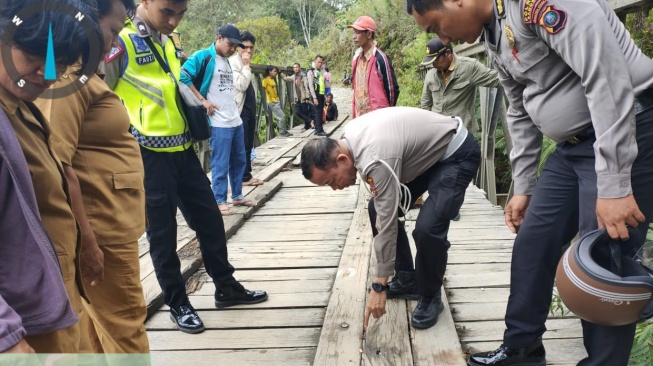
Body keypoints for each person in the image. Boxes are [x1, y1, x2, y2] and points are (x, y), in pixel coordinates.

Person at [406, 0, 653, 365]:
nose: (444, 38)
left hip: (628, 130)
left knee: (601, 260)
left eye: (438, 26)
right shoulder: (493, 31)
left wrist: (615, 184)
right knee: (533, 242)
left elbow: (607, 75)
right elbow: (519, 107)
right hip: (573, 149)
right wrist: (523, 185)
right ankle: (522, 348)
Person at [104, 0, 268, 335]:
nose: (175, 21)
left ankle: (225, 286)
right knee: (162, 233)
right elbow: (94, 94)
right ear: (144, 2)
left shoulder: (166, 41)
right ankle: (177, 301)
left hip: (183, 149)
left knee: (209, 219)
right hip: (149, 154)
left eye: (181, 14)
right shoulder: (120, 42)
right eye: (168, 12)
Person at [35, 0, 150, 356]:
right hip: (101, 229)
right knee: (126, 326)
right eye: (112, 30)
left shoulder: (86, 74)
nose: (114, 42)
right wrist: (87, 242)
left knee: (100, 331)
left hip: (111, 222)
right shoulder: (67, 76)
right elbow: (57, 162)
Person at [300, 107, 480, 330]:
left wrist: (379, 285)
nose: (336, 188)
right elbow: (384, 208)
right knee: (376, 207)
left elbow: (387, 223)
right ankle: (407, 278)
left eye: (331, 181)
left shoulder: (375, 160)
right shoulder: (348, 139)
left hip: (456, 154)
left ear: (342, 159)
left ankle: (430, 295)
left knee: (427, 229)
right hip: (425, 155)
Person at [0, 0, 102, 353]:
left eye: (60, 63)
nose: (47, 74)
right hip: (21, 323)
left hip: (53, 298)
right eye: (33, 56)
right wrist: (5, 336)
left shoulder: (19, 105)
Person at [181, 24, 257, 216]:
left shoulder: (227, 61)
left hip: (234, 119)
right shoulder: (203, 56)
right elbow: (182, 76)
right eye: (230, 44)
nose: (233, 49)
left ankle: (237, 195)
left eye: (235, 46)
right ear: (219, 37)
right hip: (218, 121)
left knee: (240, 159)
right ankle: (219, 199)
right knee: (220, 162)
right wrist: (202, 100)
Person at [420, 36, 499, 134]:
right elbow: (425, 105)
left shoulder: (469, 67)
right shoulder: (430, 75)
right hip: (438, 134)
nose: (433, 65)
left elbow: (497, 79)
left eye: (435, 60)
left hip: (462, 132)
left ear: (448, 53)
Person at [348, 15, 399, 118]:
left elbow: (392, 89)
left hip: (377, 118)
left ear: (369, 34)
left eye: (358, 32)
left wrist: (386, 113)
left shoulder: (380, 58)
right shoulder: (356, 59)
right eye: (354, 32)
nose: (354, 36)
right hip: (360, 118)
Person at [230, 31, 263, 187]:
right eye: (245, 47)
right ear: (238, 46)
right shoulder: (234, 63)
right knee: (242, 143)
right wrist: (246, 66)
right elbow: (241, 85)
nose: (248, 51)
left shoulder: (244, 63)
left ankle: (247, 175)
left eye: (251, 48)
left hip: (250, 108)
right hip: (240, 109)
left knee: (249, 142)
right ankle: (243, 177)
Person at [262, 65, 292, 137]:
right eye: (274, 71)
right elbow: (263, 90)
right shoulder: (265, 80)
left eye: (276, 71)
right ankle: (282, 133)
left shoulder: (272, 79)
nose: (276, 73)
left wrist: (279, 71)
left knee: (281, 116)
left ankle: (284, 131)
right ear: (269, 72)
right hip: (272, 102)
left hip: (276, 101)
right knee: (281, 116)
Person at [284, 63, 312, 129]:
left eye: (297, 67)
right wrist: (280, 73)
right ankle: (310, 121)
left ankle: (307, 126)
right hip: (297, 98)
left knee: (305, 112)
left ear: (299, 68)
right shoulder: (294, 76)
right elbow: (286, 79)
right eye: (294, 67)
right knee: (298, 112)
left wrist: (307, 97)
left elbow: (306, 87)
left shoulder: (303, 76)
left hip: (303, 97)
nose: (295, 68)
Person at [307, 55, 327, 136]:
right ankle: (319, 130)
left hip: (321, 94)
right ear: (314, 61)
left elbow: (322, 84)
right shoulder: (311, 71)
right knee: (318, 112)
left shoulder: (319, 71)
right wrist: (314, 97)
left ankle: (318, 129)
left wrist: (324, 95)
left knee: (320, 112)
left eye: (321, 62)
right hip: (316, 94)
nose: (320, 64)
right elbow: (310, 85)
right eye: (318, 62)